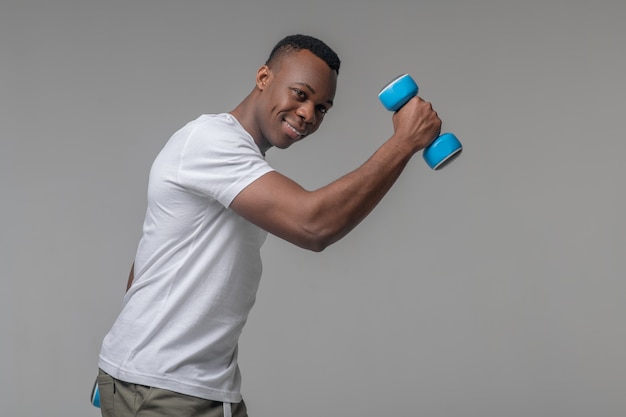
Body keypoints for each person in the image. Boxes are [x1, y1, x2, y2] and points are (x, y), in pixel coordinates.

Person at [96, 34, 442, 417]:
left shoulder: (231, 157)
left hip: (140, 378)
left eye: (322, 107)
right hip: (173, 390)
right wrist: (404, 142)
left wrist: (123, 361)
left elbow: (152, 255)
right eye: (300, 94)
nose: (309, 114)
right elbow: (314, 225)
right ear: (263, 77)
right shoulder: (213, 142)